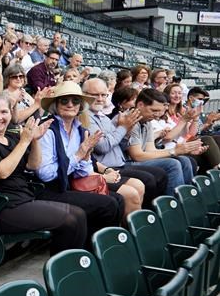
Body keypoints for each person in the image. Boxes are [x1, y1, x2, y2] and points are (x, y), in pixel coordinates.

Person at [0, 92, 87, 254]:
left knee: (79, 214)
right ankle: (63, 267)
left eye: (4, 112)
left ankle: (70, 264)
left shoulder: (11, 138)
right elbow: (2, 172)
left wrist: (34, 140)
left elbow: (33, 164)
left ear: (11, 114)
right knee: (69, 220)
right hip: (3, 207)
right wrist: (24, 141)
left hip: (24, 199)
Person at [36, 81, 123, 240]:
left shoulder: (79, 129)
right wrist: (79, 154)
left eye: (75, 100)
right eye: (64, 100)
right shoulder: (47, 129)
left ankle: (99, 247)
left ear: (80, 106)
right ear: (56, 104)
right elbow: (46, 174)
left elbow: (83, 172)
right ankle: (92, 250)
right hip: (49, 189)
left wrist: (86, 157)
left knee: (118, 200)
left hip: (70, 184)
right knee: (107, 205)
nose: (70, 104)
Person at [83, 78, 167, 208]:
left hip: (119, 163)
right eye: (95, 95)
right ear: (84, 95)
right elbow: (102, 146)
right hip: (107, 167)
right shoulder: (85, 117)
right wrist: (123, 128)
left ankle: (154, 213)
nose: (100, 99)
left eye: (103, 95)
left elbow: (118, 145)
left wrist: (125, 133)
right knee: (149, 179)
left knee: (157, 175)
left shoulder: (104, 118)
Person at [126, 88, 206, 194]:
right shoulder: (131, 119)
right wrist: (173, 151)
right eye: (154, 110)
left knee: (184, 160)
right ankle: (175, 204)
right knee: (172, 164)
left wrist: (181, 150)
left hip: (138, 160)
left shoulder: (147, 121)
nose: (158, 115)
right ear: (140, 105)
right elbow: (137, 156)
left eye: (160, 111)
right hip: (125, 163)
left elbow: (150, 150)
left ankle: (188, 198)